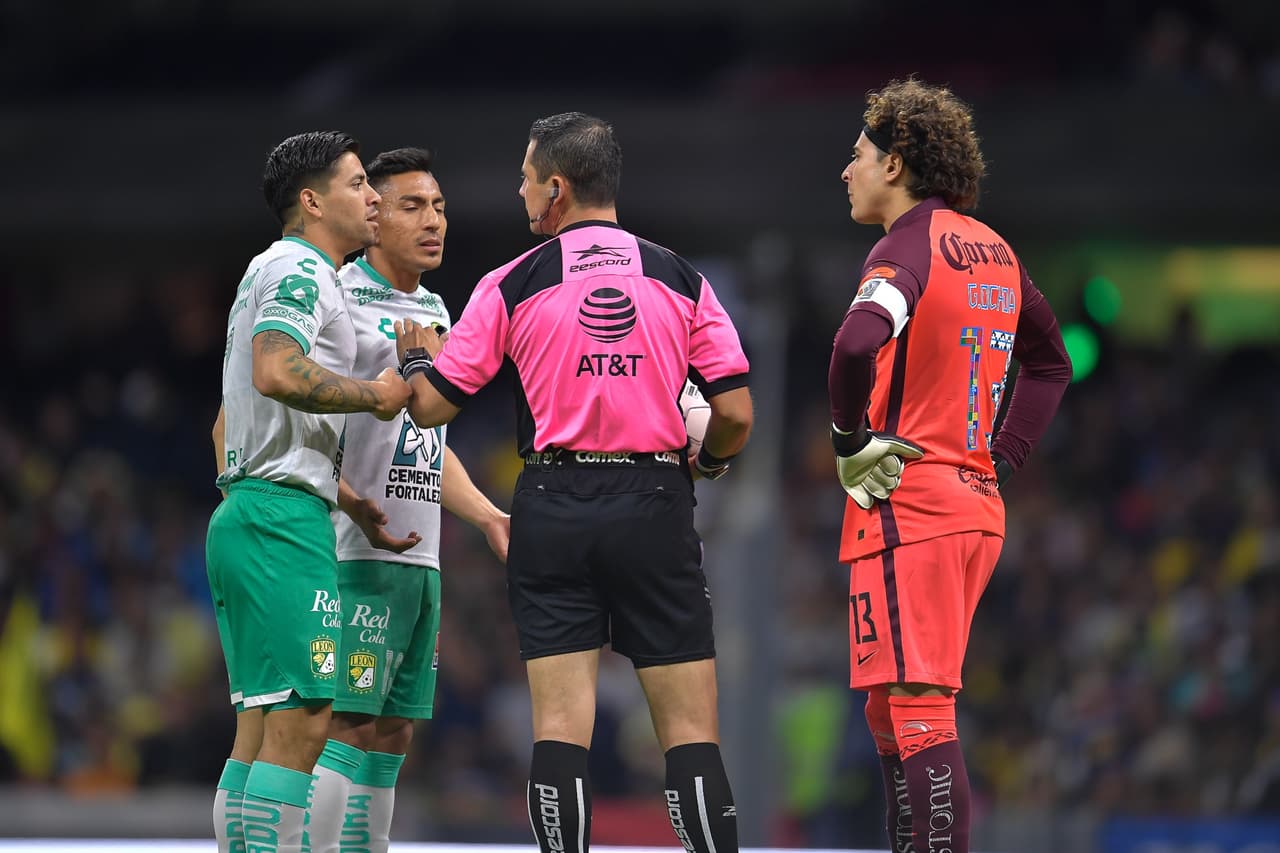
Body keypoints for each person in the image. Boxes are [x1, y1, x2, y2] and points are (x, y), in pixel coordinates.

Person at [394, 112, 754, 853]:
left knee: (560, 732)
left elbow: (429, 409)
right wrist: (711, 462)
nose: (521, 192)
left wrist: (415, 359)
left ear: (556, 188)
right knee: (690, 734)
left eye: (527, 179)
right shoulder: (681, 277)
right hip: (654, 500)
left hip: (552, 507)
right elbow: (736, 415)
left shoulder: (511, 283)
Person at [827, 79, 1072, 853]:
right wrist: (1001, 458)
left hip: (912, 508)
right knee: (888, 706)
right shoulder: (995, 250)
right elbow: (1051, 363)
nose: (847, 170)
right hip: (970, 507)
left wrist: (847, 441)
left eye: (859, 154)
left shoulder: (907, 246)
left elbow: (854, 343)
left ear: (896, 164)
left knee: (921, 705)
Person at [206, 130, 412, 853]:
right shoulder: (303, 269)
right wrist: (375, 395)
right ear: (313, 201)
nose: (374, 198)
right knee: (304, 719)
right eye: (358, 184)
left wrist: (338, 494)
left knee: (261, 727)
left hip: (253, 511)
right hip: (279, 520)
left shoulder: (268, 270)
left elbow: (226, 423)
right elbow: (275, 370)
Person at [305, 147, 512, 853]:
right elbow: (303, 424)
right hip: (353, 553)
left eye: (440, 207)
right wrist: (345, 500)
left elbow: (426, 439)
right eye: (413, 206)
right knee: (347, 723)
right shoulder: (337, 297)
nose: (434, 222)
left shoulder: (432, 308)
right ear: (373, 216)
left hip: (419, 560)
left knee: (393, 732)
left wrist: (486, 515)